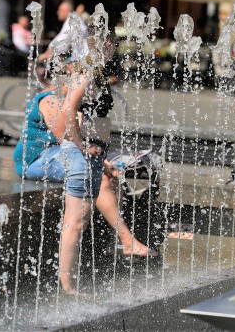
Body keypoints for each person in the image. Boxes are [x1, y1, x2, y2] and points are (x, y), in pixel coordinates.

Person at [13, 42, 154, 296]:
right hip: (38, 159)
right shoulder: (50, 99)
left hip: (76, 154)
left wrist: (102, 158)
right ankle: (123, 242)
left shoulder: (81, 86)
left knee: (108, 181)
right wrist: (83, 144)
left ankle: (115, 245)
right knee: (80, 213)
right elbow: (63, 134)